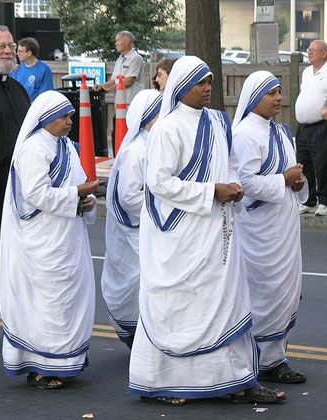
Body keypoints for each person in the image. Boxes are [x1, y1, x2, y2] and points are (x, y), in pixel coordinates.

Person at [129, 56, 285, 405]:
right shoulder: (167, 128)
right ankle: (163, 383)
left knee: (227, 302)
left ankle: (237, 380)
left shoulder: (218, 121)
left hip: (218, 228)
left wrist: (231, 185)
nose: (208, 88)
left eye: (210, 81)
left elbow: (228, 163)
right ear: (182, 87)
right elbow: (158, 182)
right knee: (181, 306)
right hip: (181, 235)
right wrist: (211, 191)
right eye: (200, 83)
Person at [0, 90, 99, 389]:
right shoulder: (33, 149)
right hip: (41, 240)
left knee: (68, 298)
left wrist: (89, 198)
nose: (69, 121)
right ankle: (43, 366)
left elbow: (80, 183)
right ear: (45, 119)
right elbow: (35, 194)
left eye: (70, 115)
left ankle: (66, 361)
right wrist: (77, 195)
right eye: (63, 116)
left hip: (68, 237)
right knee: (46, 301)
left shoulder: (67, 147)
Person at [231, 70, 307, 385]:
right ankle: (259, 360)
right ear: (253, 98)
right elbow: (243, 182)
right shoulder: (245, 134)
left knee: (286, 292)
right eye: (271, 93)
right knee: (265, 292)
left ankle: (275, 359)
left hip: (284, 227)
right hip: (259, 231)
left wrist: (297, 182)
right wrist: (284, 180)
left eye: (279, 92)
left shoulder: (278, 131)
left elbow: (290, 175)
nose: (278, 98)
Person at [101, 89, 162, 349]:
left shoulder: (158, 143)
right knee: (137, 282)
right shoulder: (135, 151)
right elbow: (128, 198)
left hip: (156, 228)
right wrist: (163, 211)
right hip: (137, 230)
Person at [0, 25, 30, 306]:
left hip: (13, 192)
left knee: (10, 267)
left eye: (10, 45)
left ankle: (14, 332)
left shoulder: (17, 89)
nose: (7, 51)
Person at [295, 39, 327, 216]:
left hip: (320, 126)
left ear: (324, 53)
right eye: (309, 49)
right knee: (303, 164)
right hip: (302, 126)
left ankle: (324, 201)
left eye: (314, 49)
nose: (309, 52)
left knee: (322, 165)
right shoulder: (307, 72)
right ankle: (308, 200)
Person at [93, 31, 144, 105]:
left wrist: (109, 89)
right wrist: (101, 86)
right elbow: (112, 81)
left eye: (118, 40)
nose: (115, 43)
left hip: (132, 103)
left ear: (126, 42)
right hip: (120, 102)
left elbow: (129, 81)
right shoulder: (119, 59)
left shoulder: (136, 58)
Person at [10, 37, 54, 102]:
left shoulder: (44, 70)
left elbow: (46, 95)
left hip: (36, 109)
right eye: (17, 51)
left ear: (29, 53)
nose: (17, 54)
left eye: (21, 51)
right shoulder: (17, 69)